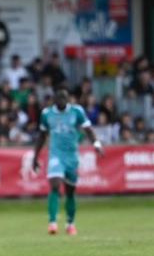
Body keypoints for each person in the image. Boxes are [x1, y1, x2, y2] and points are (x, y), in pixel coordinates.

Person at [30, 86, 104, 236]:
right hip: (56, 155)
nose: (62, 101)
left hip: (71, 156)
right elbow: (42, 136)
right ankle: (52, 223)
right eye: (59, 98)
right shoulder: (47, 114)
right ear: (54, 100)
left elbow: (88, 129)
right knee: (55, 184)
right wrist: (35, 157)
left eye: (64, 98)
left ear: (68, 99)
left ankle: (70, 224)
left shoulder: (77, 111)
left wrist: (96, 143)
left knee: (70, 192)